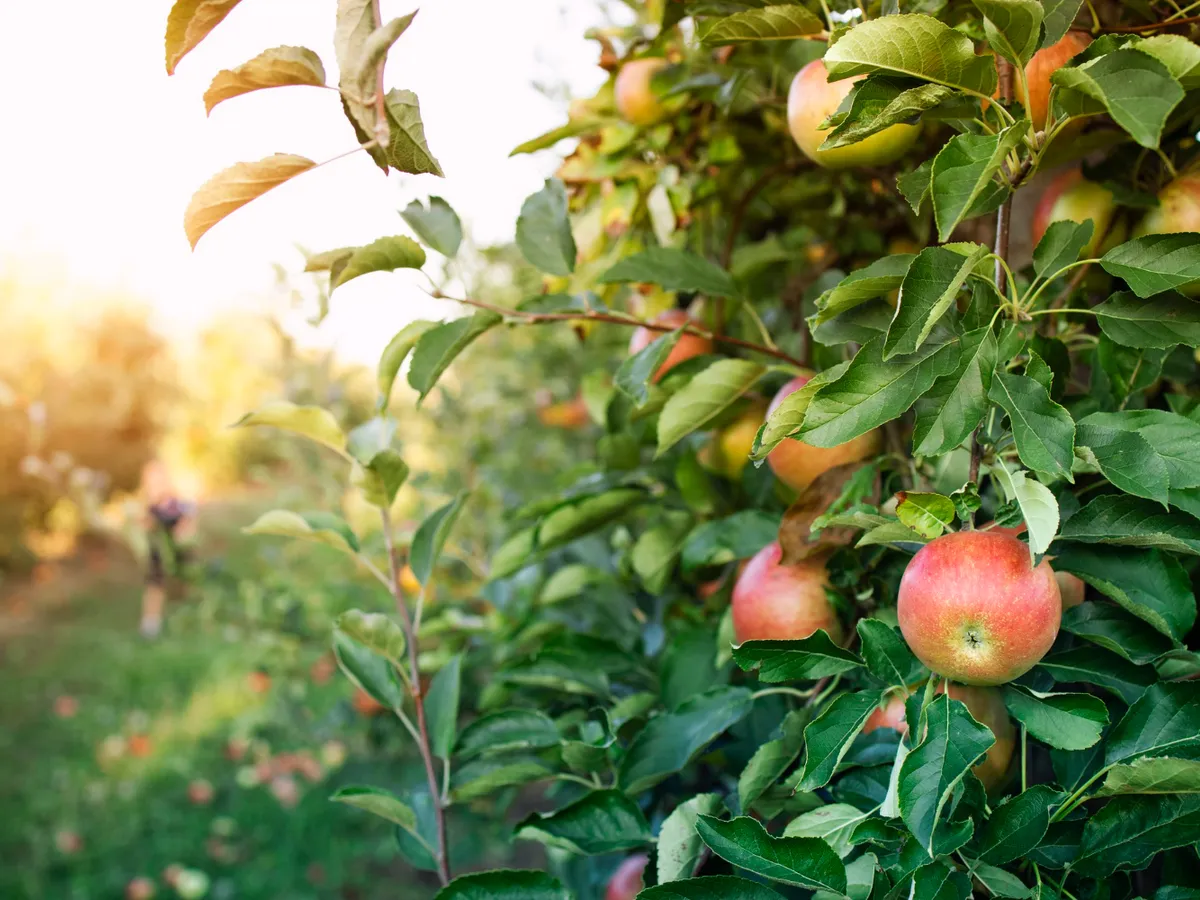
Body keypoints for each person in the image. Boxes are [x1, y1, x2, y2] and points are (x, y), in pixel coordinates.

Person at [137, 460, 196, 638]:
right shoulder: (148, 508)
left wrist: (184, 531)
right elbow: (143, 527)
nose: (157, 485)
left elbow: (189, 522)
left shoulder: (178, 504)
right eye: (153, 481)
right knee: (156, 584)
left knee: (187, 578)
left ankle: (189, 613)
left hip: (179, 548)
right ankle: (150, 623)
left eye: (160, 480)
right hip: (159, 551)